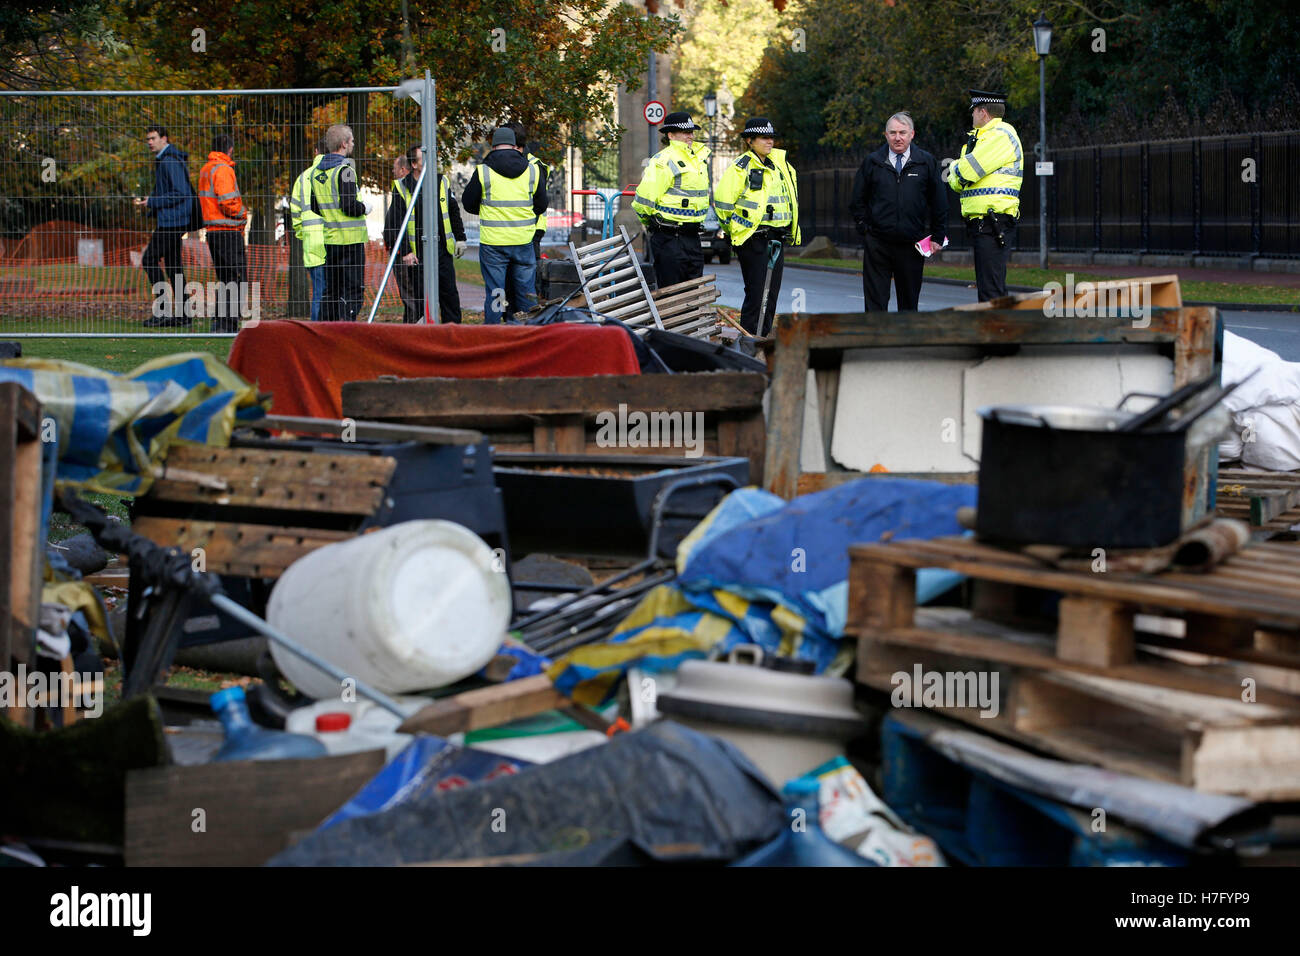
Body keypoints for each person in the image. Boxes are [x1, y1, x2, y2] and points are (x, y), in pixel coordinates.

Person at [848, 112, 947, 312]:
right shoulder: (873, 162)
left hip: (912, 244)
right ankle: (877, 341)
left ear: (912, 134)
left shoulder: (926, 162)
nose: (897, 137)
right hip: (878, 243)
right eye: (892, 133)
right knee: (875, 302)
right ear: (885, 135)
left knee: (909, 303)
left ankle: (905, 342)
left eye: (902, 132)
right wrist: (865, 229)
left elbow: (939, 201)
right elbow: (857, 200)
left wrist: (937, 234)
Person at [715, 117, 800, 336]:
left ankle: (762, 337)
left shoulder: (781, 165)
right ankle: (750, 339)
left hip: (777, 237)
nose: (769, 142)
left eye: (771, 137)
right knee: (757, 293)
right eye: (764, 138)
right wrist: (735, 229)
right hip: (753, 238)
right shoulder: (741, 166)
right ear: (750, 141)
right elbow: (723, 203)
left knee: (770, 294)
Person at [460, 126, 547, 324]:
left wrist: (487, 210)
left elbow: (468, 203)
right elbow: (541, 205)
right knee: (527, 290)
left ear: (494, 145)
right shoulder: (533, 170)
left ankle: (493, 333)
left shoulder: (483, 171)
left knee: (496, 291)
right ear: (516, 145)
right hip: (523, 240)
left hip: (494, 243)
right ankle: (529, 331)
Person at [948, 90, 1023, 301]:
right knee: (988, 286)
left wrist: (955, 167)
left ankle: (997, 331)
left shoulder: (1000, 135)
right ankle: (995, 330)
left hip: (993, 221)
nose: (971, 116)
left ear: (983, 112)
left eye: (973, 111)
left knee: (991, 290)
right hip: (985, 223)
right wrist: (958, 172)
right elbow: (958, 182)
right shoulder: (983, 139)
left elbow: (964, 172)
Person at [385, 145, 467, 323]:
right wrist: (406, 251)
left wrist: (460, 238)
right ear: (414, 164)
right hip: (417, 254)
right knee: (419, 300)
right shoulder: (402, 187)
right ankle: (421, 336)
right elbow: (397, 223)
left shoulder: (441, 182)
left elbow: (453, 212)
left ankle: (452, 336)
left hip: (441, 249)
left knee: (449, 296)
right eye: (424, 159)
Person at [632, 111, 711, 288]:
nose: (690, 136)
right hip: (668, 236)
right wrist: (652, 223)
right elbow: (643, 201)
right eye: (685, 132)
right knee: (671, 294)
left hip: (692, 236)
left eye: (691, 132)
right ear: (670, 135)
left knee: (693, 294)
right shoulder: (663, 160)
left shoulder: (698, 160)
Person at [310, 124, 371, 321]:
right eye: (351, 140)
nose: (353, 143)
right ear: (344, 144)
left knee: (332, 292)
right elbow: (349, 206)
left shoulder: (317, 173)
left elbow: (314, 205)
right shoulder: (345, 170)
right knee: (352, 292)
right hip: (350, 242)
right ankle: (347, 331)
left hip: (330, 240)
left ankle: (329, 331)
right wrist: (365, 208)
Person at [137, 125, 193, 327]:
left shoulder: (169, 161)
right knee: (173, 267)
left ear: (164, 139)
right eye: (148, 139)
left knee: (149, 259)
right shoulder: (166, 160)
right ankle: (184, 316)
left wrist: (153, 202)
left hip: (172, 222)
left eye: (153, 138)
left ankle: (162, 312)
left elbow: (180, 193)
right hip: (173, 220)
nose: (150, 142)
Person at [197, 133, 248, 332]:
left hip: (213, 231)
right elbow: (227, 201)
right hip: (228, 230)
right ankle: (228, 324)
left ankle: (220, 322)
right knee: (235, 278)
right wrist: (243, 213)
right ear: (230, 149)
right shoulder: (223, 169)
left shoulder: (206, 169)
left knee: (225, 278)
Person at [506, 121, 547, 314]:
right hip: (510, 229)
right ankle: (513, 316)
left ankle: (529, 317)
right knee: (512, 281)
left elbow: (539, 202)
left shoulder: (534, 166)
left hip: (530, 230)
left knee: (527, 281)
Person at [290, 138, 327, 321]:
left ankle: (315, 334)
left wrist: (303, 233)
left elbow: (295, 212)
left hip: (312, 246)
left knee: (319, 293)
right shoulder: (339, 173)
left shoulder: (303, 178)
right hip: (336, 242)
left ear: (315, 151)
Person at [384, 153, 420, 323]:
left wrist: (403, 249)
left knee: (410, 295)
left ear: (403, 170)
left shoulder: (405, 190)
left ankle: (413, 330)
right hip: (403, 248)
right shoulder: (403, 189)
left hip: (404, 251)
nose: (393, 171)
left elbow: (398, 223)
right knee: (409, 295)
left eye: (395, 168)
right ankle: (410, 326)